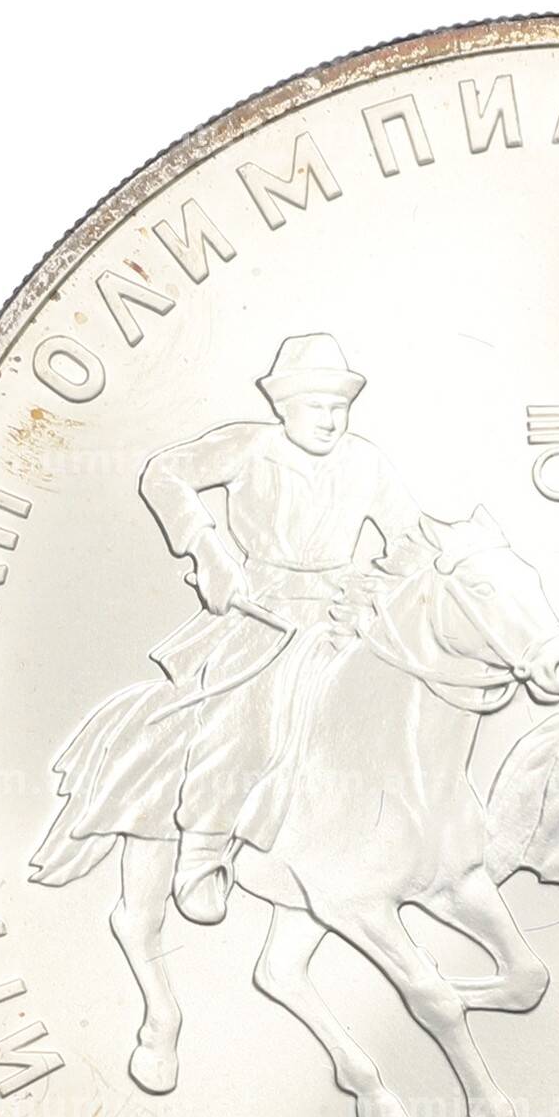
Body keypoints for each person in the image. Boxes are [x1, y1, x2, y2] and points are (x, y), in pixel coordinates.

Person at [140, 333, 421, 923]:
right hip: (263, 615)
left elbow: (408, 536)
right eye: (316, 405)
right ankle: (203, 849)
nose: (330, 418)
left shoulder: (366, 461)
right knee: (241, 718)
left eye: (339, 406)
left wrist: (407, 579)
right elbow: (163, 474)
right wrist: (208, 551)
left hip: (343, 616)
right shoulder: (249, 446)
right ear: (282, 405)